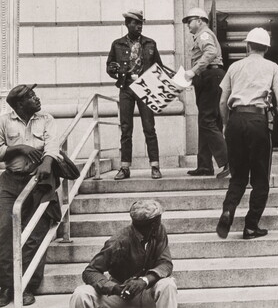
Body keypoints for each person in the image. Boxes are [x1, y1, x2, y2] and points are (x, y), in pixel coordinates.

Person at [216, 27, 278, 240]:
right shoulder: (272, 67)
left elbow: (222, 101)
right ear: (266, 48)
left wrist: (226, 124)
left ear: (247, 46)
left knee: (237, 177)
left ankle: (228, 209)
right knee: (260, 178)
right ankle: (250, 226)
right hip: (258, 121)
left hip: (236, 120)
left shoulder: (234, 67)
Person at [0, 84, 61, 306]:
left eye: (35, 95)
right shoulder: (4, 120)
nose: (37, 99)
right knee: (4, 232)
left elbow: (53, 144)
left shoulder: (46, 118)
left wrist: (47, 161)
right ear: (19, 105)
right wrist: (20, 148)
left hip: (38, 182)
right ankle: (7, 287)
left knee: (35, 235)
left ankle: (26, 286)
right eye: (31, 97)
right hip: (9, 182)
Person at [70, 200, 177, 308]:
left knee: (168, 285)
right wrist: (114, 288)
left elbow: (166, 264)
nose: (160, 223)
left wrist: (145, 280)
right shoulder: (118, 242)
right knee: (81, 293)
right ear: (153, 224)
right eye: (158, 220)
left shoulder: (159, 231)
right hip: (121, 295)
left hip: (148, 292)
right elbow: (90, 271)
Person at [106, 9, 162, 181]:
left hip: (145, 87)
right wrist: (113, 70)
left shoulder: (150, 43)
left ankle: (155, 166)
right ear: (127, 24)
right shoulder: (117, 44)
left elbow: (159, 68)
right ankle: (125, 167)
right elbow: (109, 67)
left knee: (149, 127)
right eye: (135, 23)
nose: (139, 26)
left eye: (141, 23)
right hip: (126, 87)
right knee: (125, 128)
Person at [182, 7, 229, 179]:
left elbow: (211, 52)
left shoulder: (203, 34)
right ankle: (204, 165)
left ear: (200, 20)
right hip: (209, 76)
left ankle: (228, 160)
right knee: (207, 120)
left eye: (190, 20)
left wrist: (194, 70)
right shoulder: (200, 35)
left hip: (210, 75)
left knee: (207, 119)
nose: (188, 24)